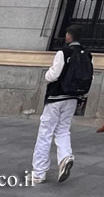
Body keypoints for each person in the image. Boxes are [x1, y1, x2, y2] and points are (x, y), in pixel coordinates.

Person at [32, 25, 93, 185]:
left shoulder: (63, 53)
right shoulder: (87, 54)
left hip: (56, 96)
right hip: (73, 97)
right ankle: (65, 157)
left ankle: (39, 172)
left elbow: (53, 75)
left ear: (69, 36)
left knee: (45, 132)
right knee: (63, 130)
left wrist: (46, 74)